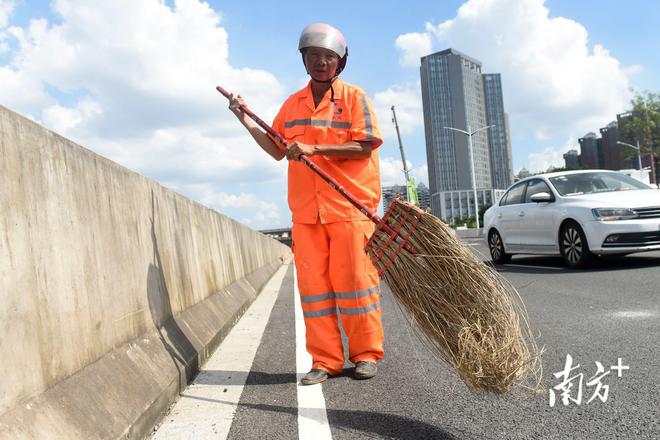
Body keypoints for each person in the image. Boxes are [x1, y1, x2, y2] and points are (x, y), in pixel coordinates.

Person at [228, 23, 384, 385]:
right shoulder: (293, 104)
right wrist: (244, 118)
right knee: (314, 290)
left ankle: (365, 354)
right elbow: (277, 150)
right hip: (307, 214)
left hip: (349, 210)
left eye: (329, 57)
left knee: (357, 284)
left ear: (340, 62)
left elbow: (365, 145)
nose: (321, 62)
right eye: (314, 55)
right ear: (304, 59)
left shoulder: (354, 99)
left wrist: (315, 147)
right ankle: (325, 360)